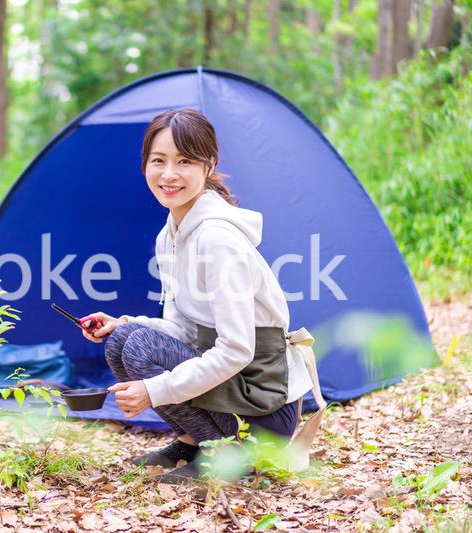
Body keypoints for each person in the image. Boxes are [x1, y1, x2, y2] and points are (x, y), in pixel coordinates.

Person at [80, 108, 314, 483]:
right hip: (235, 393)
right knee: (123, 339)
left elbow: (237, 349)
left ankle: (236, 456)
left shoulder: (216, 239)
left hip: (263, 406)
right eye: (159, 161)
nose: (169, 174)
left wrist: (154, 390)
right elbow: (184, 330)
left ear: (208, 166)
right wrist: (122, 322)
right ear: (145, 166)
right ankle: (194, 442)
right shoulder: (171, 234)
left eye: (184, 161)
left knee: (139, 349)